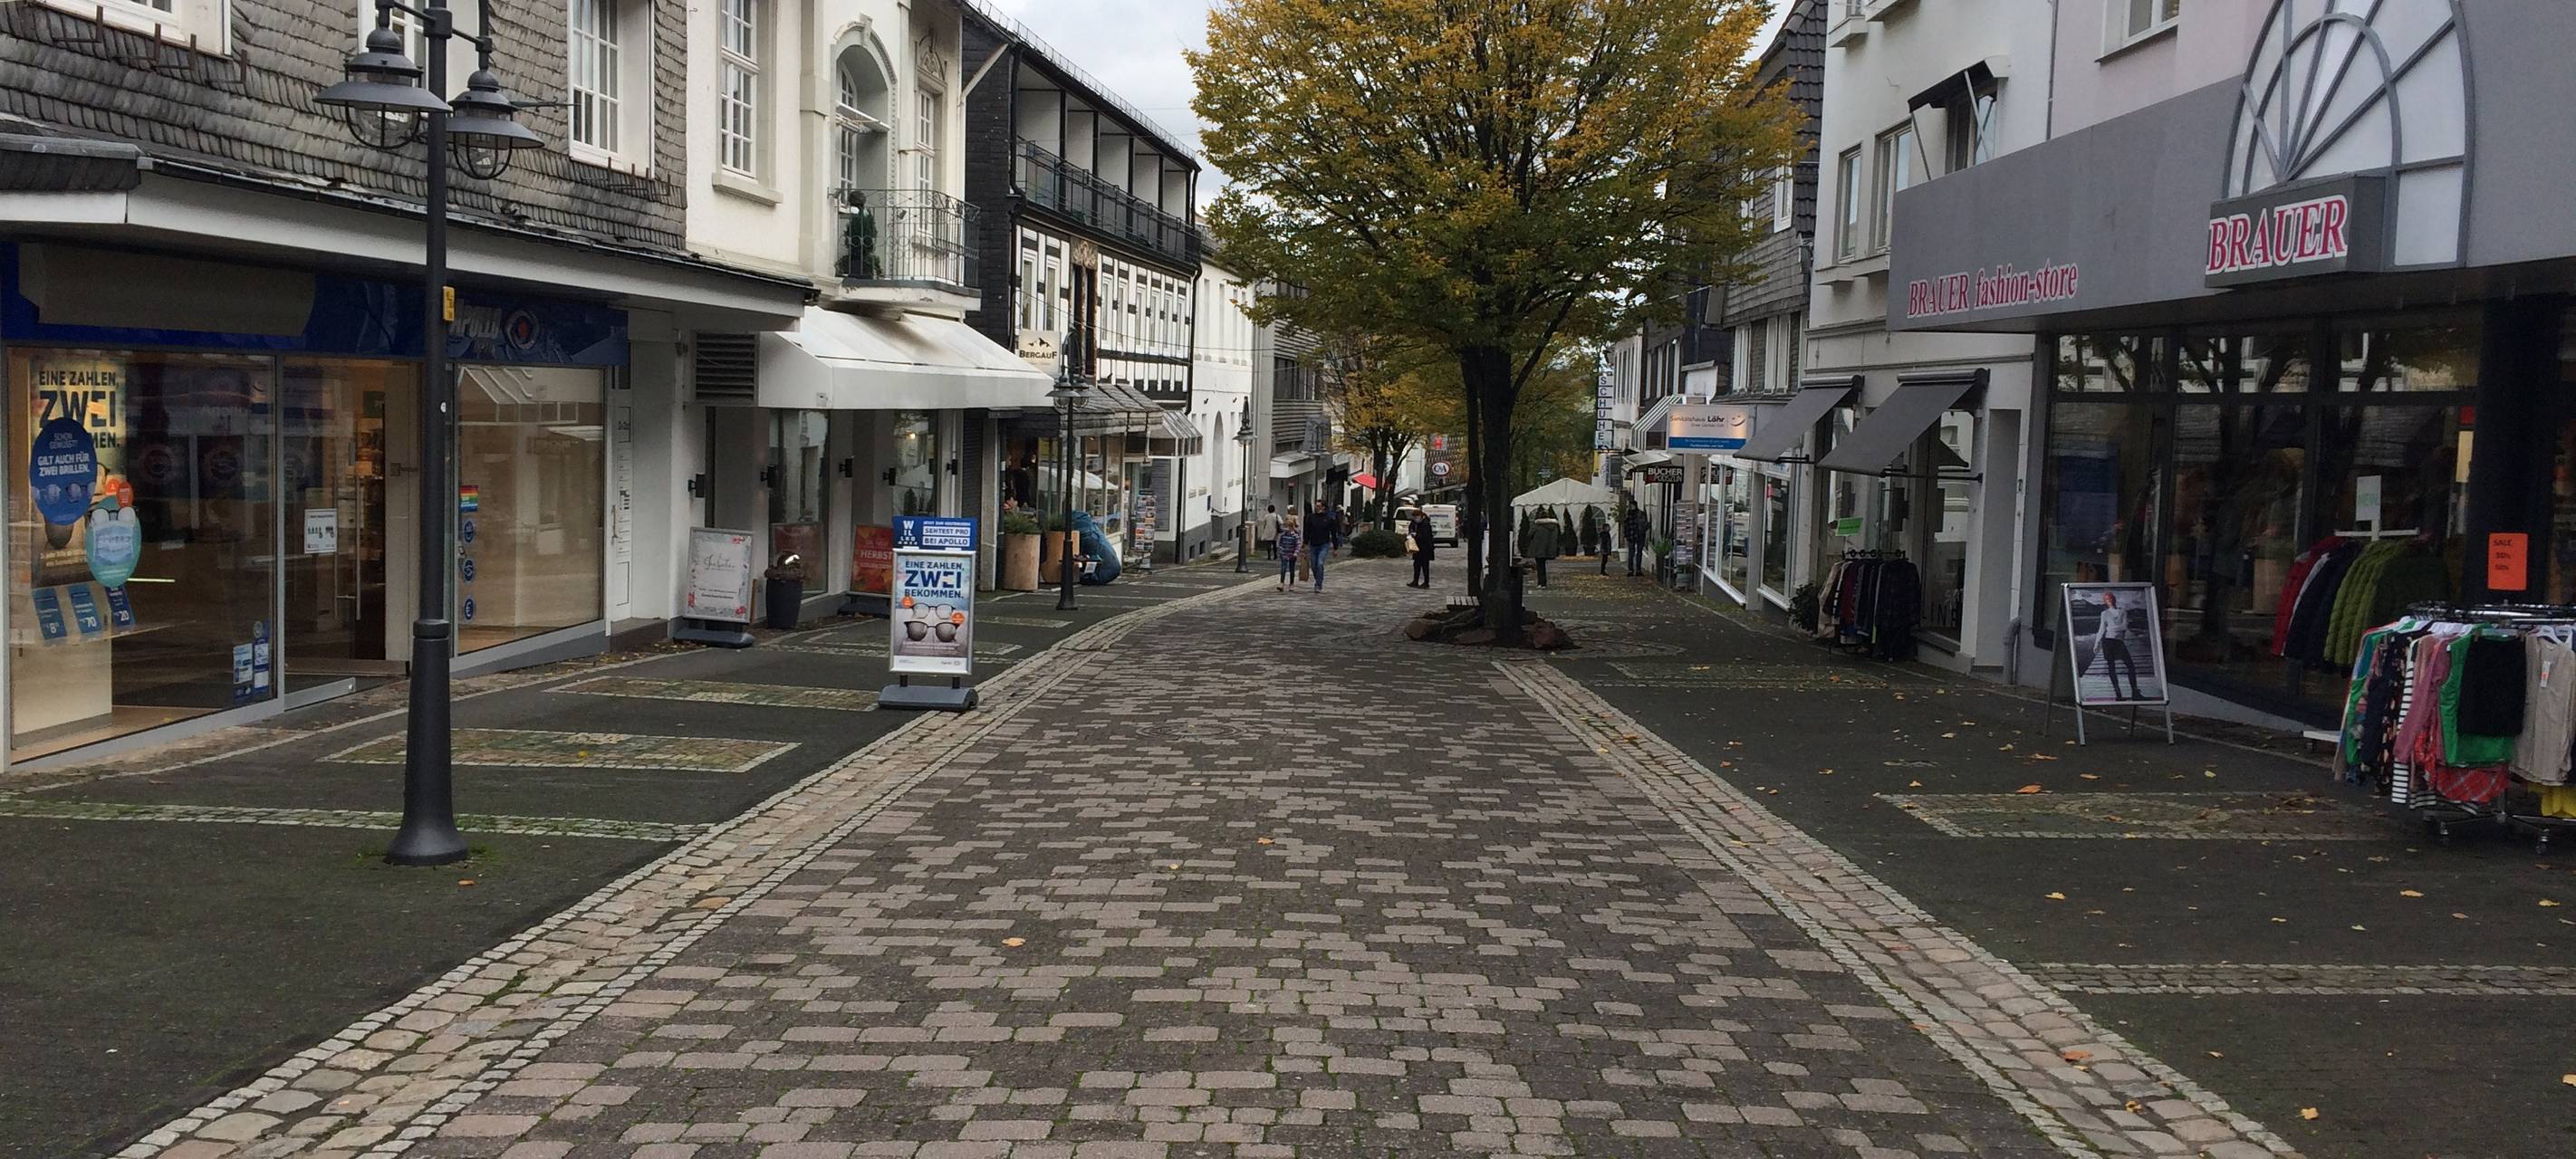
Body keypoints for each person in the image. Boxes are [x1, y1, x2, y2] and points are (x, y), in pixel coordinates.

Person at [2087, 590, 2148, 700]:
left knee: (2130, 666)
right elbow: (2102, 629)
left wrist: (2111, 628)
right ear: (2105, 602)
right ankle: (2118, 694)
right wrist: (2096, 643)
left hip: (2119, 642)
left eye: (2110, 598)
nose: (2109, 600)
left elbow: (2124, 626)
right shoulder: (2104, 614)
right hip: (2108, 642)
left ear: (2114, 599)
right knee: (2112, 668)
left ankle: (2135, 692)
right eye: (2107, 599)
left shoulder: (2123, 611)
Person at [1306, 500, 1338, 591]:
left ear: (1323, 507)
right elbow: (1307, 531)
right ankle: (1318, 579)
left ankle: (1318, 584)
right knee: (1313, 565)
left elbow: (1334, 533)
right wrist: (1305, 543)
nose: (1316, 507)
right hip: (1313, 544)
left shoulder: (1329, 519)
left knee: (1319, 563)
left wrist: (1335, 548)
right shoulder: (1311, 517)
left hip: (1324, 544)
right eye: (1316, 506)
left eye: (1318, 506)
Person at [1526, 507, 1562, 589]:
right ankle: (1543, 583)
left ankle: (1541, 583)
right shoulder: (1554, 526)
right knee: (1542, 565)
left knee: (1540, 566)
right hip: (1549, 548)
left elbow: (1529, 534)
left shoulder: (1537, 525)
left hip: (1538, 548)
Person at [1407, 509, 1437, 588]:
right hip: (1417, 547)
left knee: (1425, 566)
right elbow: (1411, 529)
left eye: (1416, 517)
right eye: (1414, 517)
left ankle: (1426, 583)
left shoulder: (1425, 524)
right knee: (1416, 565)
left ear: (1421, 516)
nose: (1415, 519)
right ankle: (1415, 581)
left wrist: (1417, 535)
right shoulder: (1414, 523)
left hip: (1425, 548)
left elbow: (1426, 536)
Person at [1274, 515, 1302, 591]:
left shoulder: (1295, 535)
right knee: (1283, 568)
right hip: (1284, 553)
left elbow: (1298, 544)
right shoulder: (1284, 535)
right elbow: (1281, 543)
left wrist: (1296, 552)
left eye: (1288, 527)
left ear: (1292, 526)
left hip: (1292, 554)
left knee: (1292, 569)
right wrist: (1281, 550)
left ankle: (1291, 584)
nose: (1287, 529)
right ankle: (1282, 583)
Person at [1622, 505, 1649, 577]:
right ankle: (1635, 570)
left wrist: (1626, 535)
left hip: (1634, 536)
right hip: (1636, 536)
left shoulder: (1631, 516)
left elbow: (1626, 527)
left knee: (1634, 553)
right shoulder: (1639, 515)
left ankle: (1633, 570)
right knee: (1635, 553)